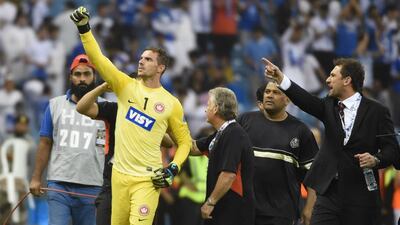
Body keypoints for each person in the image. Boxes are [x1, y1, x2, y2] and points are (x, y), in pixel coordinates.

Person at [70, 7, 192, 225]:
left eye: (148, 59)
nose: (141, 61)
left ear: (161, 68)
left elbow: (183, 143)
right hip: (119, 176)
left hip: (148, 179)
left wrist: (173, 168)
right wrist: (84, 29)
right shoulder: (125, 86)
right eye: (141, 58)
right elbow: (98, 59)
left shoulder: (171, 104)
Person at [263, 57, 400, 225]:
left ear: (347, 80)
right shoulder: (328, 105)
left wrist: (375, 159)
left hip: (361, 194)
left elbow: (392, 150)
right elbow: (305, 99)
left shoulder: (377, 111)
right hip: (329, 192)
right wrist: (280, 78)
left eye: (333, 75)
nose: (327, 80)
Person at [76, 82, 174, 225]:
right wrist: (103, 87)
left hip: (142, 181)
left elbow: (169, 142)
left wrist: (145, 121)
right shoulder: (115, 109)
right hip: (112, 181)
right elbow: (81, 107)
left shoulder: (150, 115)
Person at [29, 54, 105, 225]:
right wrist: (36, 178)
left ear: (95, 77)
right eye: (77, 74)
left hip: (93, 186)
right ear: (70, 77)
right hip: (59, 185)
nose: (82, 79)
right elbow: (45, 142)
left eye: (87, 74)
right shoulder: (55, 105)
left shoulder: (106, 109)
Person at [237, 81, 318, 225]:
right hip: (244, 207)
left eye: (276, 92)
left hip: (281, 213)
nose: (269, 95)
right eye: (267, 92)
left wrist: (309, 209)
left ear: (287, 99)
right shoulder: (245, 120)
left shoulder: (301, 131)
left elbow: (314, 176)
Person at [190, 87, 255, 225]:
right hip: (223, 206)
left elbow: (228, 174)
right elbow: (194, 148)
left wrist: (210, 202)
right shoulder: (221, 133)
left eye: (208, 104)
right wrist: (165, 132)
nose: (205, 109)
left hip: (233, 210)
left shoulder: (234, 134)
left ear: (216, 108)